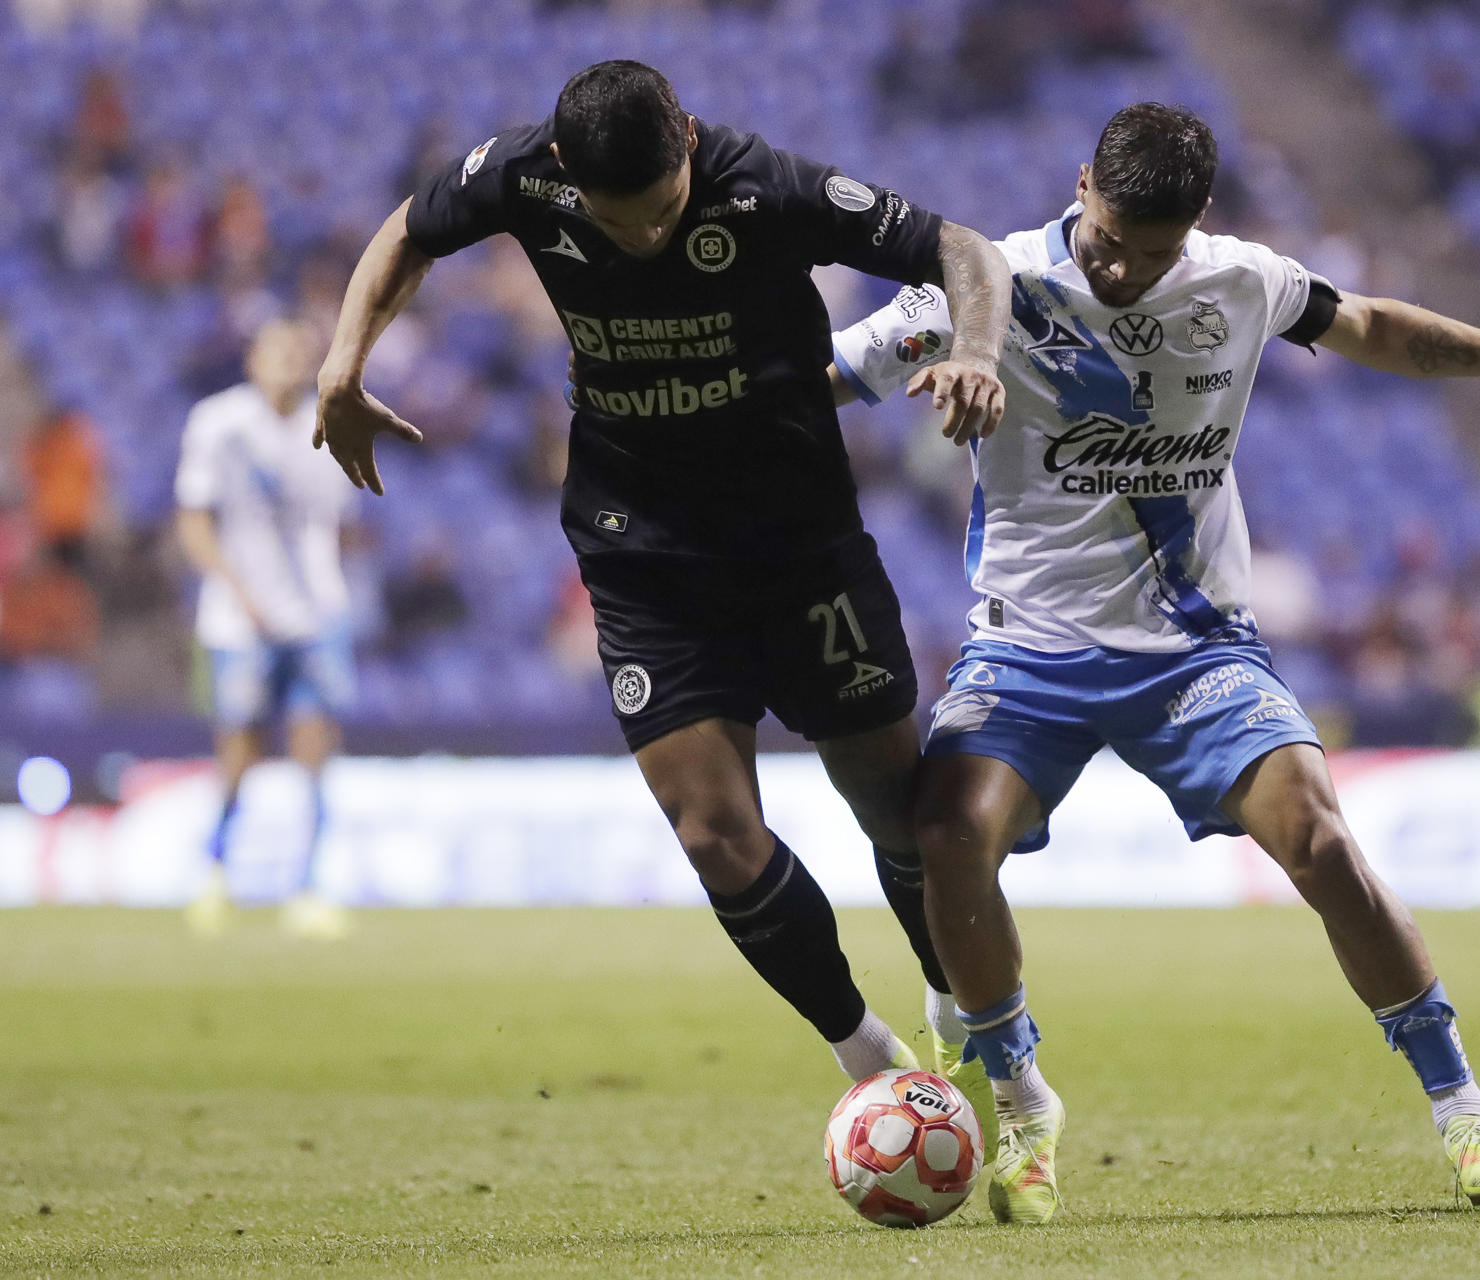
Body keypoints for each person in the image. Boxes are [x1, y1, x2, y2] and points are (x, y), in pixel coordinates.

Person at [830, 102, 1480, 1222]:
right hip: (1029, 648)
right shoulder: (990, 286)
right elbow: (831, 377)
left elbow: (1375, 326)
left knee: (1320, 838)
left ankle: (1464, 1110)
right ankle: (1022, 1104)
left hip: (1194, 650)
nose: (1123, 269)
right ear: (1082, 184)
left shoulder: (1241, 282)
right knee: (946, 838)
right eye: (1109, 239)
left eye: (1151, 251)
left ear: (1198, 222)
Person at [313, 62, 1012, 1090]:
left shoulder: (767, 187)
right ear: (564, 169)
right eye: (618, 219)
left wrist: (980, 354)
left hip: (801, 544)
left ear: (686, 138)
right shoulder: (522, 174)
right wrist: (344, 362)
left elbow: (963, 249)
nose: (644, 236)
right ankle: (869, 1059)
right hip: (643, 553)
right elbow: (408, 230)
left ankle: (961, 1014)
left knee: (897, 816)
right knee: (713, 834)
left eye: (663, 209)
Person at [175, 318, 358, 940]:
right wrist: (239, 591)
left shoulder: (332, 424)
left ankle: (308, 887)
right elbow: (194, 521)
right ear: (252, 359)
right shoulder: (218, 423)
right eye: (277, 351)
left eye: (299, 352)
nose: (289, 361)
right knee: (239, 753)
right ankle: (216, 872)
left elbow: (339, 525)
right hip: (239, 621)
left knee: (315, 752)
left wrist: (334, 597)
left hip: (316, 617)